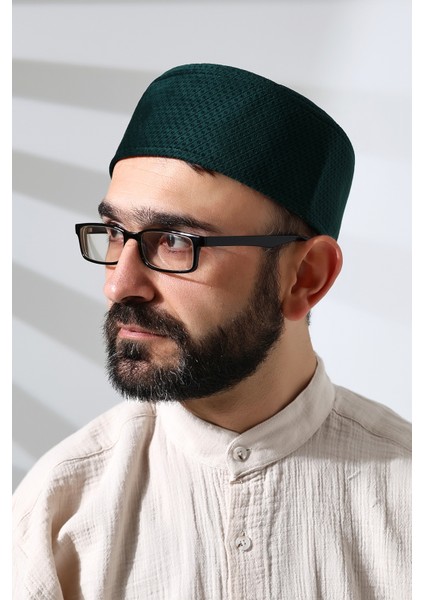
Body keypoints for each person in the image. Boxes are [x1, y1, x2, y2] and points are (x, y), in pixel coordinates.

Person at [12, 63, 411, 599]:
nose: (119, 285)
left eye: (176, 241)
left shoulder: (408, 499)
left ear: (306, 277)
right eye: (115, 232)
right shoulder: (58, 513)